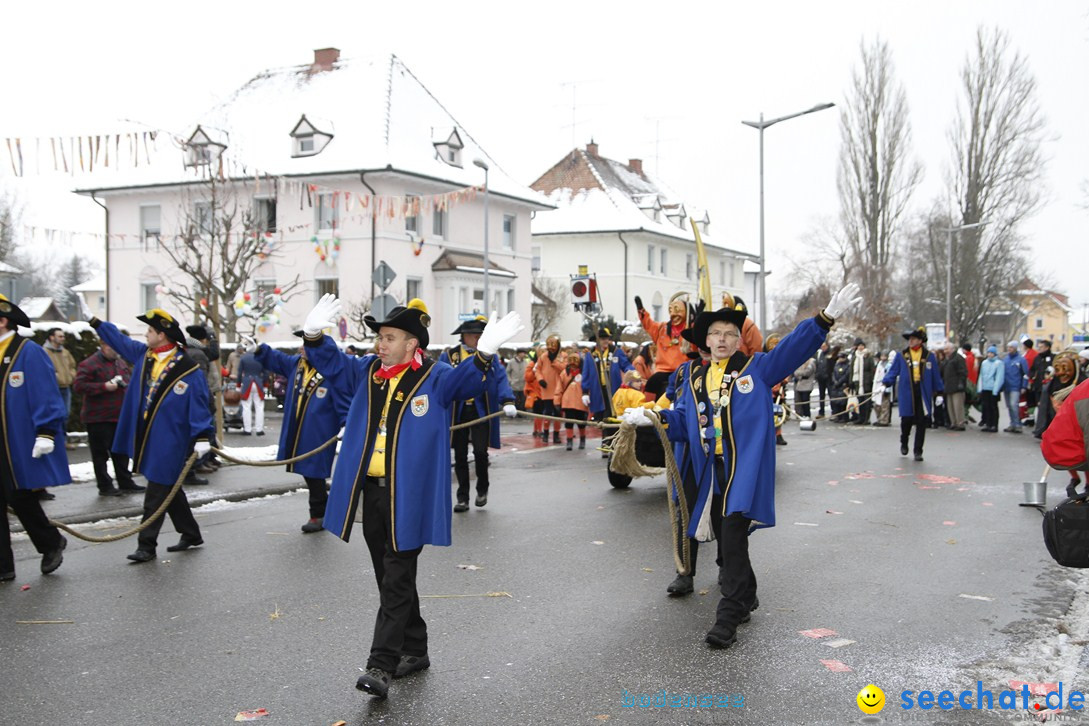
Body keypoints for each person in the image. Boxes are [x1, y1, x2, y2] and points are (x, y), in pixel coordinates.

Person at [300, 294, 521, 698]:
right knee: (390, 577)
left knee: (398, 575)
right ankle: (415, 649)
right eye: (379, 337)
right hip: (372, 491)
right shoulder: (366, 371)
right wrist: (314, 336)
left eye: (389, 337)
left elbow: (468, 382)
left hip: (409, 497)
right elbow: (330, 363)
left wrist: (485, 353)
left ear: (411, 344)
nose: (380, 344)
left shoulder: (435, 377)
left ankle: (380, 665)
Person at [623, 283, 861, 649]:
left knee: (732, 535)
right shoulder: (695, 377)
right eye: (715, 334)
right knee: (726, 537)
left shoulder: (758, 369)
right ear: (705, 340)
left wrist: (824, 319)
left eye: (729, 334)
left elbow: (793, 349)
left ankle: (728, 615)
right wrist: (653, 418)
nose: (722, 339)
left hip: (742, 471)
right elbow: (684, 419)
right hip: (708, 474)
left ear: (738, 340)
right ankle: (746, 594)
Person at [90, 308, 214, 563]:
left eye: (149, 330)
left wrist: (202, 435)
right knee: (168, 486)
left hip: (173, 439)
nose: (145, 334)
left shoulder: (188, 368)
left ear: (162, 334)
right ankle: (191, 533)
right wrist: (96, 323)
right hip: (148, 435)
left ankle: (146, 545)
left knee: (156, 490)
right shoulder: (145, 356)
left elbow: (201, 402)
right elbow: (120, 342)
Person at [0, 296, 70, 581]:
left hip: (16, 439)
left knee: (19, 496)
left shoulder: (27, 352)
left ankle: (50, 542)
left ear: (3, 320)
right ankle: (3, 566)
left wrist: (46, 431)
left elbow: (45, 393)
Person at [253, 333, 351, 533]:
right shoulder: (297, 364)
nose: (301, 349)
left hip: (320, 431)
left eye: (306, 346)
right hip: (298, 428)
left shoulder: (331, 371)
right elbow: (277, 360)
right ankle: (325, 508)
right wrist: (260, 350)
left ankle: (318, 514)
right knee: (309, 472)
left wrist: (345, 422)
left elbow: (344, 397)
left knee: (313, 471)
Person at [439, 316, 517, 513]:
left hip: (481, 410)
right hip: (458, 411)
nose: (476, 339)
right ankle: (462, 497)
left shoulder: (490, 356)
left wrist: (507, 400)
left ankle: (482, 489)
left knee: (481, 452)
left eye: (479, 335)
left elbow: (500, 379)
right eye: (472, 335)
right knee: (460, 455)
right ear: (463, 337)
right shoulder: (449, 356)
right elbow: (439, 381)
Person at [72, 341, 144, 496]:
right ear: (103, 346)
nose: (117, 351)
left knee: (121, 451)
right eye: (113, 347)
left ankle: (125, 482)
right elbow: (78, 386)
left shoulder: (120, 362)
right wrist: (103, 386)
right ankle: (105, 486)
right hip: (98, 417)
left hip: (119, 416)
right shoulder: (89, 364)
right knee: (100, 454)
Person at [882, 327, 944, 461]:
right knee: (906, 420)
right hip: (907, 391)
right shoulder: (902, 355)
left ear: (920, 341)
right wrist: (886, 382)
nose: (911, 341)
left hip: (922, 391)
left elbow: (935, 375)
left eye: (914, 339)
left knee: (922, 422)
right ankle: (904, 441)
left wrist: (939, 392)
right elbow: (893, 371)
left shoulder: (929, 356)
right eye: (910, 339)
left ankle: (918, 451)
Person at [581, 326, 634, 458]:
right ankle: (606, 443)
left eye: (607, 338)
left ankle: (611, 445)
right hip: (598, 391)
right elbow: (586, 374)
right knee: (602, 418)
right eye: (602, 338)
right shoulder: (591, 355)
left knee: (613, 417)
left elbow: (626, 365)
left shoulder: (616, 352)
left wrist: (632, 372)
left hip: (614, 391)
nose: (605, 341)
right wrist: (584, 392)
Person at [635, 295, 693, 396]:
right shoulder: (662, 329)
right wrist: (641, 310)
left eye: (678, 309)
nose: (674, 314)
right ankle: (649, 408)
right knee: (651, 383)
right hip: (663, 370)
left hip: (683, 370)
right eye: (671, 310)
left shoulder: (690, 329)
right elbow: (649, 324)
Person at [186, 324, 222, 474]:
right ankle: (199, 462)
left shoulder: (190, 350)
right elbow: (201, 381)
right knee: (204, 431)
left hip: (199, 396)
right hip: (202, 398)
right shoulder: (198, 353)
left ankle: (206, 459)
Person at [43, 327, 78, 451]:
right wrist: (55, 376)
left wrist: (71, 375)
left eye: (63, 336)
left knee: (65, 415)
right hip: (52, 389)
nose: (63, 338)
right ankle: (55, 440)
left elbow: (73, 365)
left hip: (66, 388)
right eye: (60, 336)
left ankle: (63, 440)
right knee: (54, 415)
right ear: (51, 337)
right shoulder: (44, 352)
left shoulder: (65, 352)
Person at [533, 335, 564, 443]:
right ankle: (545, 433)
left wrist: (555, 362)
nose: (551, 347)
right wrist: (540, 379)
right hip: (547, 388)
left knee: (558, 413)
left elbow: (565, 369)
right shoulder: (543, 357)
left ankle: (556, 434)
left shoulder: (562, 356)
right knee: (547, 412)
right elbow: (537, 370)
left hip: (559, 389)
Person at [557, 352, 589, 450]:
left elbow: (588, 387)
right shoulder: (564, 373)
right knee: (569, 423)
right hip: (568, 402)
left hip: (580, 402)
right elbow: (559, 388)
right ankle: (569, 441)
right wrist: (557, 401)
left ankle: (582, 440)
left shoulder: (584, 374)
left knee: (581, 423)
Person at [237, 348, 267, 436]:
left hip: (247, 383)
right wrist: (265, 385)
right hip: (258, 382)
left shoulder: (244, 358)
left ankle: (247, 429)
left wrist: (238, 385)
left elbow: (239, 373)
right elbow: (266, 373)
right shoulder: (261, 358)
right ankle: (259, 429)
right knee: (259, 407)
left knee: (246, 407)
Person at [1002, 340, 1029, 433]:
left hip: (1016, 386)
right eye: (1008, 347)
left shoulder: (1021, 360)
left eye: (1011, 347)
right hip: (1006, 387)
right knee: (1009, 406)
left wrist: (1024, 386)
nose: (1009, 349)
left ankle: (1018, 424)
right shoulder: (1005, 359)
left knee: (1014, 405)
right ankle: (1012, 423)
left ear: (1015, 348)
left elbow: (1025, 374)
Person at [1029, 339, 1054, 437]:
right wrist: (1032, 376)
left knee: (1049, 410)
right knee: (1040, 408)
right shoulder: (1037, 358)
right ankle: (1040, 429)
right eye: (1038, 347)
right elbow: (1032, 370)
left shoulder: (1053, 358)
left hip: (1050, 388)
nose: (1039, 349)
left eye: (1041, 347)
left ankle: (1049, 430)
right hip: (1039, 387)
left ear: (1047, 348)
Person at [940, 341, 968, 430]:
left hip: (957, 386)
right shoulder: (947, 360)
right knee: (950, 406)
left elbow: (963, 372)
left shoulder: (958, 358)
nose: (945, 351)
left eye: (947, 349)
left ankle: (960, 423)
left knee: (957, 406)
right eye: (944, 349)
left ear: (952, 349)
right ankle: (953, 422)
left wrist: (961, 383)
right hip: (948, 386)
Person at [847, 338, 875, 425]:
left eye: (862, 346)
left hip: (866, 382)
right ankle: (860, 417)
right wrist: (851, 381)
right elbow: (851, 370)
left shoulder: (868, 357)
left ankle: (866, 418)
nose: (860, 347)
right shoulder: (855, 357)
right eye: (859, 346)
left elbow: (872, 369)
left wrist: (871, 380)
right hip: (857, 382)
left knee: (867, 402)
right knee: (859, 401)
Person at [977, 346, 1005, 432]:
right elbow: (981, 375)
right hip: (985, 388)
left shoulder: (999, 363)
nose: (989, 354)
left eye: (991, 353)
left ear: (995, 354)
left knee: (993, 407)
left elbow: (999, 377)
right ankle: (988, 424)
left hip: (993, 388)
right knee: (986, 406)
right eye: (988, 352)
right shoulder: (984, 363)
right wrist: (980, 387)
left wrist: (996, 389)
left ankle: (994, 425)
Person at [829, 351, 851, 423]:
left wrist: (839, 382)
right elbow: (833, 373)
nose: (840, 359)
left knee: (843, 403)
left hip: (843, 385)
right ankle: (838, 416)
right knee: (836, 402)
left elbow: (846, 375)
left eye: (841, 357)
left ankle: (844, 417)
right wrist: (835, 381)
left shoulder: (848, 365)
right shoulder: (837, 364)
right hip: (836, 385)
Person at [872, 350, 892, 426]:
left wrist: (887, 388)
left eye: (884, 356)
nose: (883, 357)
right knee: (877, 404)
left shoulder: (888, 365)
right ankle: (879, 418)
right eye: (882, 356)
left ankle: (884, 420)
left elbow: (889, 377)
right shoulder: (879, 364)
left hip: (884, 386)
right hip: (877, 385)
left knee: (884, 404)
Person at [793, 355, 816, 419]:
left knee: (805, 401)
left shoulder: (811, 362)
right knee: (800, 401)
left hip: (807, 384)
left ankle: (807, 414)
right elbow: (795, 372)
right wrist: (799, 373)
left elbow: (807, 373)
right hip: (800, 384)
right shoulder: (800, 362)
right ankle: (801, 414)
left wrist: (799, 373)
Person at [814, 342, 832, 418]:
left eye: (824, 346)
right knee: (821, 396)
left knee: (831, 395)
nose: (823, 348)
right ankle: (821, 412)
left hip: (828, 377)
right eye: (822, 346)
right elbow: (817, 365)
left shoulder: (830, 354)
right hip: (820, 377)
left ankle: (833, 411)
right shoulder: (819, 354)